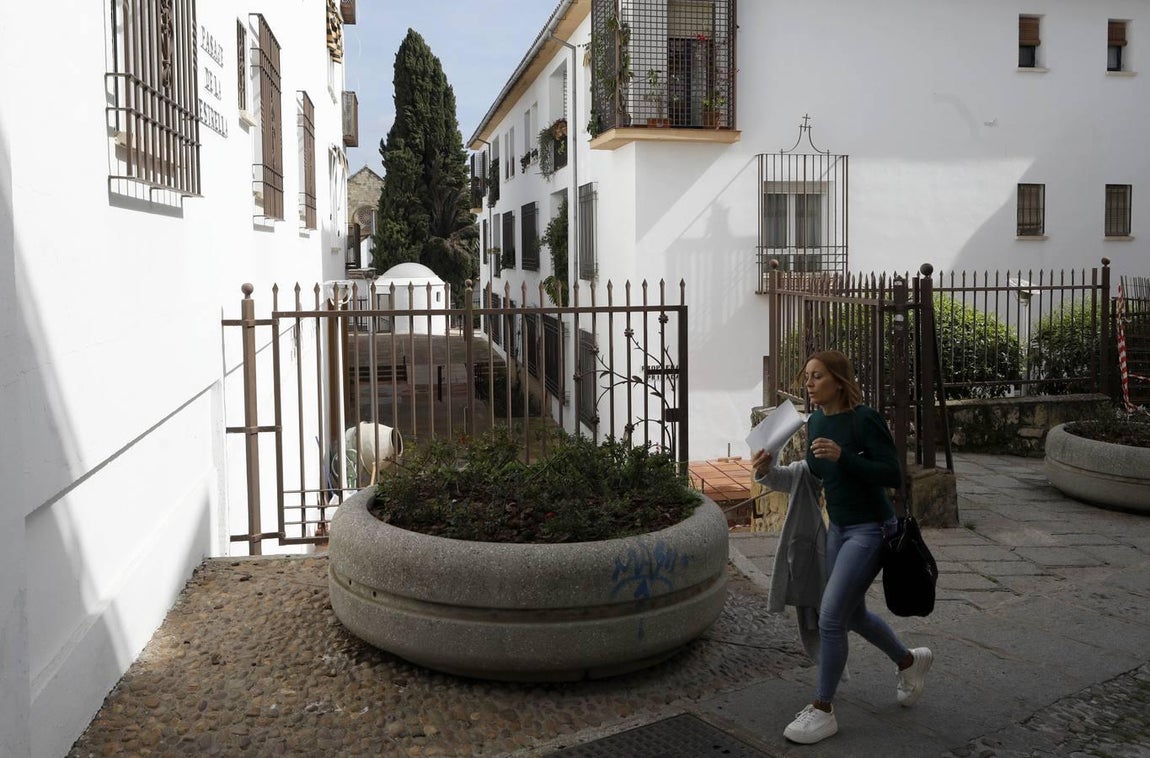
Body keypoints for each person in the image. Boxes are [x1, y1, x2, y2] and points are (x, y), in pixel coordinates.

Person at [751, 350, 933, 745]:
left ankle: (822, 708)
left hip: (871, 530)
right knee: (851, 616)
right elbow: (809, 476)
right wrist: (766, 471)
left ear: (838, 380)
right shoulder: (815, 420)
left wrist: (845, 456)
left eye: (818, 376)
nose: (810, 384)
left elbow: (892, 474)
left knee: (831, 617)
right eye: (808, 377)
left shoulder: (864, 419)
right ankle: (909, 661)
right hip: (839, 530)